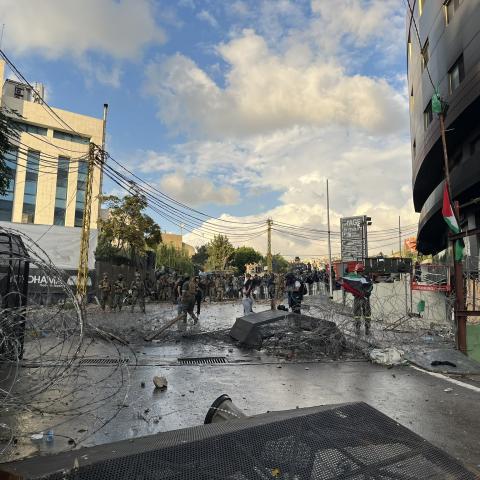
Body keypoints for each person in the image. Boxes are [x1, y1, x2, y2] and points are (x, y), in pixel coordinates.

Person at [347, 263, 373, 336]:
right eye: (359, 272)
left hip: (364, 298)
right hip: (359, 298)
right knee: (359, 314)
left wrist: (367, 292)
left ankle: (365, 329)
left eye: (359, 272)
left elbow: (370, 286)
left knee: (365, 314)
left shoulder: (364, 278)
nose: (359, 273)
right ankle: (360, 329)